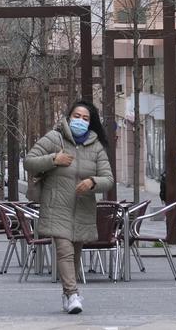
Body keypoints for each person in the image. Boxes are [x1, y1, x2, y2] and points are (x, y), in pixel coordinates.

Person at [24, 101, 114, 315]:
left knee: (74, 253)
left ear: (91, 123)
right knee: (64, 251)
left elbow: (108, 179)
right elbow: (29, 161)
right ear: (68, 116)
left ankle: (67, 294)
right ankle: (73, 294)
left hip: (83, 208)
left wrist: (93, 182)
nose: (80, 121)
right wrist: (54, 159)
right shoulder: (54, 138)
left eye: (85, 118)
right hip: (57, 206)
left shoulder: (96, 146)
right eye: (77, 116)